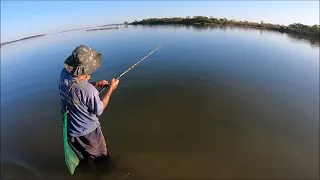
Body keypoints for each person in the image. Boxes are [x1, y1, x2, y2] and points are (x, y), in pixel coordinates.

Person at [58, 45, 119, 173]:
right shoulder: (88, 91)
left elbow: (75, 91)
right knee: (101, 158)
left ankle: (85, 171)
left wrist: (96, 84)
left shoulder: (64, 75)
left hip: (71, 131)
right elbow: (99, 109)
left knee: (82, 158)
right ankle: (107, 173)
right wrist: (111, 89)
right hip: (90, 133)